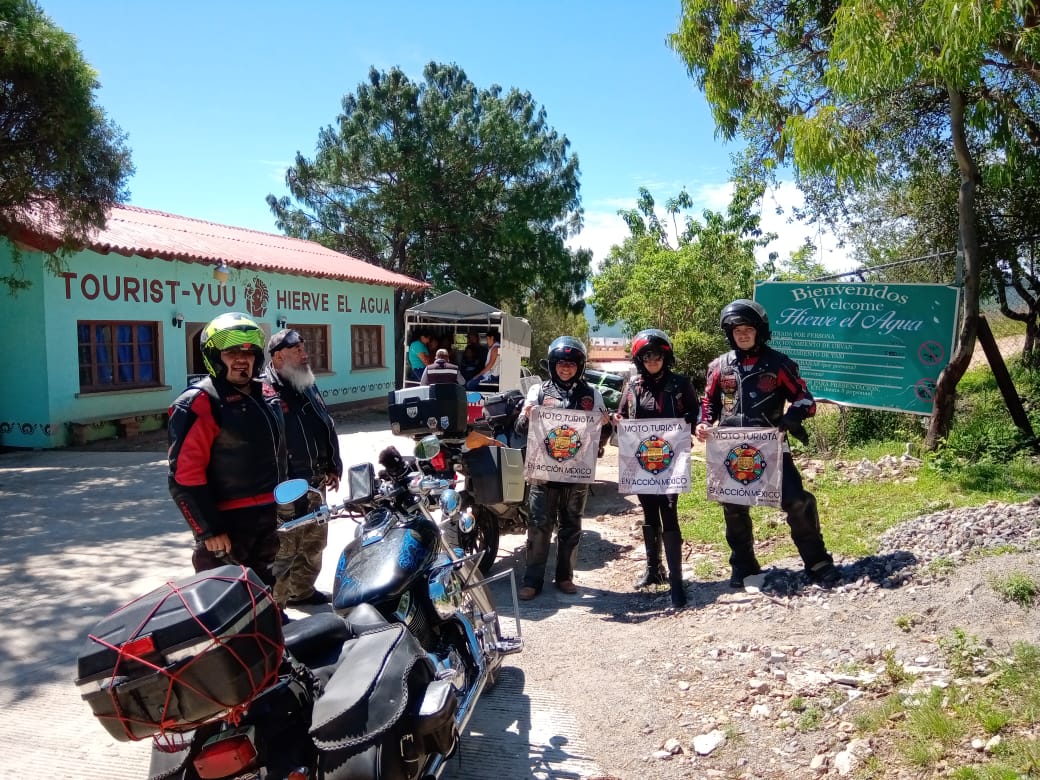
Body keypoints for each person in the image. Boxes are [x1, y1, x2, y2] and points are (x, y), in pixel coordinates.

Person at [695, 299, 841, 588]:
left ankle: (817, 560)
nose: (743, 335)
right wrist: (702, 423)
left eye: (748, 329)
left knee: (795, 500)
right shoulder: (718, 367)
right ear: (729, 334)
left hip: (772, 448)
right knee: (733, 506)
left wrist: (791, 418)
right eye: (737, 330)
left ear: (760, 331)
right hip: (731, 452)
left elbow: (805, 400)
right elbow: (708, 403)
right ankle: (743, 564)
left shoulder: (779, 364)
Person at [168, 312, 286, 585]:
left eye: (248, 352)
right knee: (227, 601)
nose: (241, 359)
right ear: (214, 356)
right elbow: (184, 475)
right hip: (227, 522)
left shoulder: (266, 394)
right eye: (231, 352)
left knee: (269, 597)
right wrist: (208, 529)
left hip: (270, 516)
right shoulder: (200, 401)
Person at [514, 336, 611, 600]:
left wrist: (606, 424)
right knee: (538, 525)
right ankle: (532, 580)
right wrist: (526, 415)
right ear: (553, 365)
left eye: (570, 363)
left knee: (571, 526)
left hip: (576, 473)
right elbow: (521, 429)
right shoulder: (539, 392)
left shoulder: (593, 394)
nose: (565, 368)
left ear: (579, 366)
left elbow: (603, 435)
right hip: (543, 473)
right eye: (560, 363)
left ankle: (565, 577)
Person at [616, 329, 699, 608]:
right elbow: (622, 416)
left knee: (669, 510)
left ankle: (676, 580)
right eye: (646, 356)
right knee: (649, 511)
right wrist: (616, 421)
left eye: (657, 355)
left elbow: (696, 413)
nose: (652, 360)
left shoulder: (680, 384)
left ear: (666, 356)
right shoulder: (632, 387)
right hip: (642, 464)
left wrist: (687, 425)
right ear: (640, 359)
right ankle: (654, 570)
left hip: (671, 463)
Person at [261, 329, 343, 607]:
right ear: (278, 357)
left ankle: (303, 593)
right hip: (286, 485)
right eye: (297, 350)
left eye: (303, 348)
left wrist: (334, 464)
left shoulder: (307, 383)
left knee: (314, 542)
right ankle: (276, 606)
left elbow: (326, 423)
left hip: (316, 481)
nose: (305, 355)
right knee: (284, 549)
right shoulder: (264, 391)